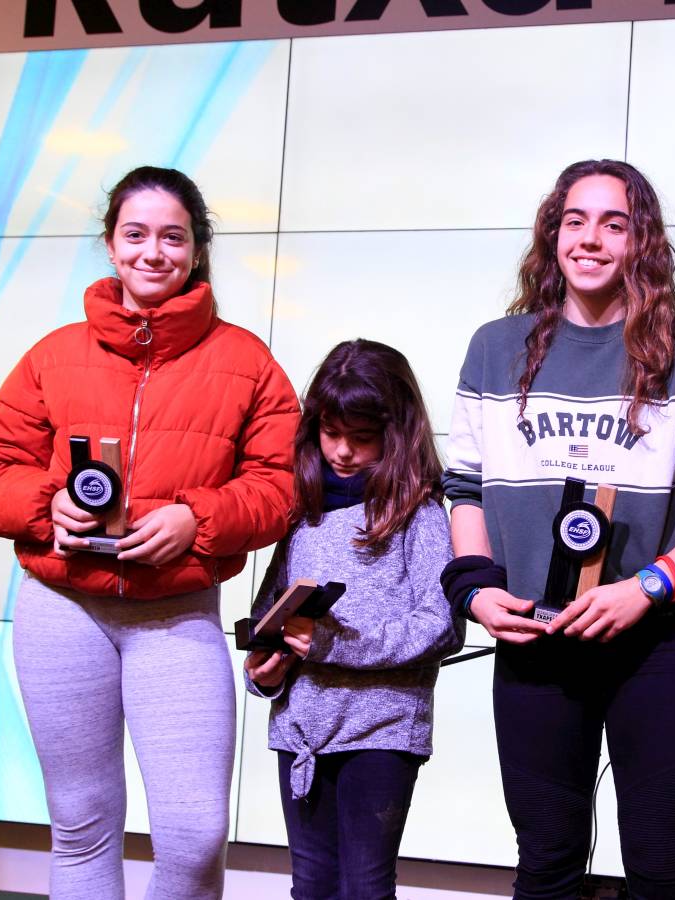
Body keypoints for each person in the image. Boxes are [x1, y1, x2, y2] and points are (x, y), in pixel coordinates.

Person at [0, 166, 300, 900]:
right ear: (112, 248)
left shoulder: (246, 361)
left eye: (172, 237)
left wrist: (196, 520)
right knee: (82, 826)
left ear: (196, 250)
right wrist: (46, 503)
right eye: (135, 234)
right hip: (62, 611)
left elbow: (280, 488)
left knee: (195, 833)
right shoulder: (54, 355)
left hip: (176, 616)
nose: (153, 252)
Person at [443, 159, 675, 899]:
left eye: (612, 223)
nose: (590, 239)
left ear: (641, 242)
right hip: (535, 641)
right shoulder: (496, 348)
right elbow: (462, 486)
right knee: (546, 862)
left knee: (657, 867)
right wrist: (478, 590)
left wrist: (649, 587)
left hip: (657, 644)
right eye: (575, 220)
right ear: (553, 233)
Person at [244, 338, 462, 900]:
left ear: (395, 434)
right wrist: (264, 671)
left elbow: (441, 626)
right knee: (311, 886)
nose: (342, 451)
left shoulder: (423, 512)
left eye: (361, 438)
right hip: (301, 734)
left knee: (364, 889)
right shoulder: (302, 513)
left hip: (383, 732)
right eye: (330, 433)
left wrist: (330, 646)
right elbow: (270, 613)